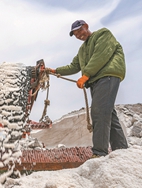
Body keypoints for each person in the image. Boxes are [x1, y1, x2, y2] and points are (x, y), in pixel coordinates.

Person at [49, 20, 128, 157]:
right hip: (96, 80)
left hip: (107, 76)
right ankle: (121, 150)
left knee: (99, 112)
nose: (78, 35)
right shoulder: (82, 50)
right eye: (75, 34)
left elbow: (100, 56)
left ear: (86, 27)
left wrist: (86, 75)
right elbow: (73, 66)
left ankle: (99, 152)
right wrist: (55, 70)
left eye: (80, 31)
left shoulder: (103, 34)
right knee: (108, 113)